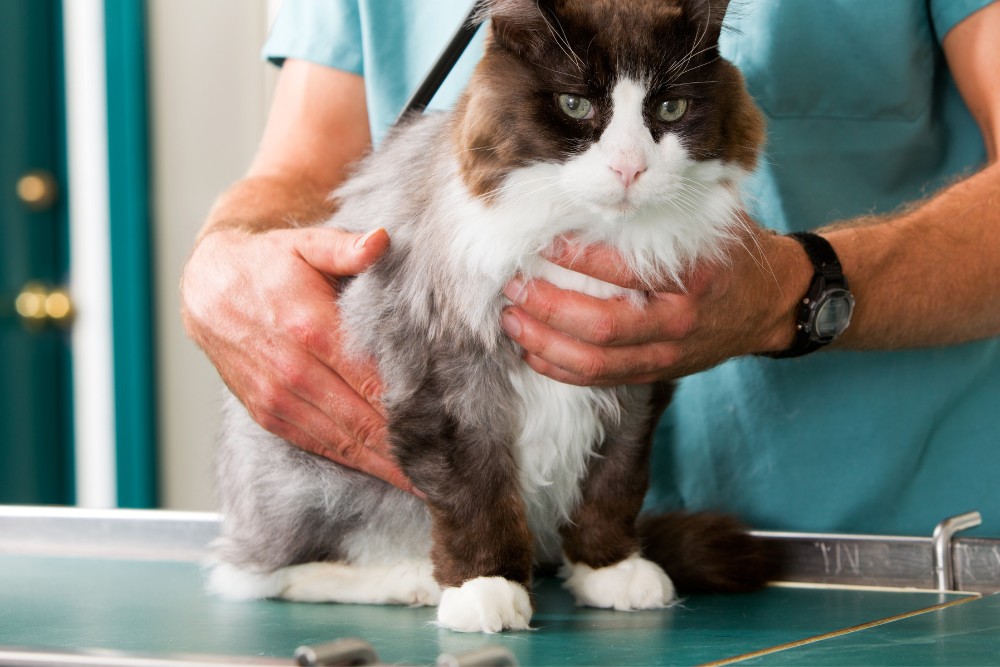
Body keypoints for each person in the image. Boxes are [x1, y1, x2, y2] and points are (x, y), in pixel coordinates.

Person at [182, 0, 1000, 535]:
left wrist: (794, 291)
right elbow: (298, 175)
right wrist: (222, 262)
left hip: (876, 570)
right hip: (487, 575)